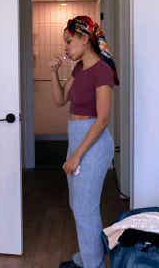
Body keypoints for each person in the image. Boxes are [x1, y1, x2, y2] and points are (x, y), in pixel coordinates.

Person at [50, 16, 119, 268]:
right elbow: (59, 101)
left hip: (93, 143)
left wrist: (77, 155)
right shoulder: (79, 69)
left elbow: (102, 120)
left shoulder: (102, 70)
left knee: (84, 209)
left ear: (84, 38)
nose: (66, 47)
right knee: (80, 206)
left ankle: (93, 264)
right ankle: (90, 258)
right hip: (77, 137)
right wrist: (54, 73)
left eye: (69, 41)